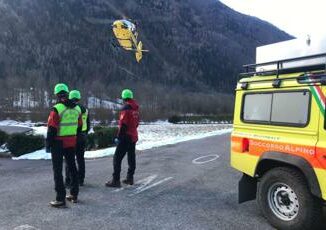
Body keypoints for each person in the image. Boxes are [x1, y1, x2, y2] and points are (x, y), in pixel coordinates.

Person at [46, 83, 82, 207]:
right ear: (67, 93)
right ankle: (74, 194)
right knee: (72, 167)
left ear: (56, 94)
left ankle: (60, 198)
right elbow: (80, 126)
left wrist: (48, 144)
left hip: (58, 142)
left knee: (57, 170)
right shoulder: (77, 109)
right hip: (71, 141)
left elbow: (51, 128)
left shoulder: (57, 109)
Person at [105, 89, 140, 187]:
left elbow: (123, 124)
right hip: (133, 136)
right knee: (131, 157)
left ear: (124, 98)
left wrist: (119, 137)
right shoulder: (135, 109)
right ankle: (130, 178)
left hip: (126, 136)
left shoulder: (125, 109)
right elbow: (137, 123)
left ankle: (115, 180)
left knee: (117, 158)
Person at [65, 90, 90, 187]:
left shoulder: (71, 108)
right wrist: (85, 133)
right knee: (80, 159)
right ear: (79, 98)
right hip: (82, 136)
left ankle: (68, 181)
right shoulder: (85, 109)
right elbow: (88, 124)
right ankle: (81, 180)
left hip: (72, 136)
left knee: (69, 159)